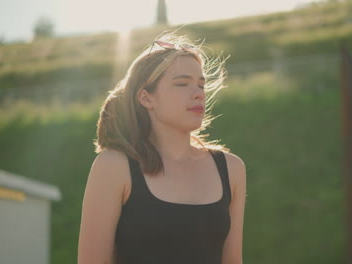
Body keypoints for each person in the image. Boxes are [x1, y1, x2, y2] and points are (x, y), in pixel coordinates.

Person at [77, 31, 246, 264]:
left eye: (201, 85)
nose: (198, 94)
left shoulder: (231, 168)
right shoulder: (113, 166)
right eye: (182, 84)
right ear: (147, 98)